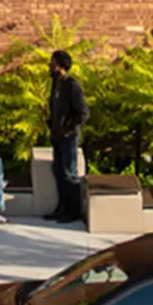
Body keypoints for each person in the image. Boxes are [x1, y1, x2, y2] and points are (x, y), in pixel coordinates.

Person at [44, 49, 89, 224]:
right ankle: (62, 207)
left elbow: (83, 113)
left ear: (61, 66)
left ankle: (73, 210)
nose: (50, 65)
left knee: (70, 173)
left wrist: (68, 129)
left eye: (52, 62)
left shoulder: (72, 85)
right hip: (57, 136)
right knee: (59, 172)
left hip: (68, 137)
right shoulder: (56, 84)